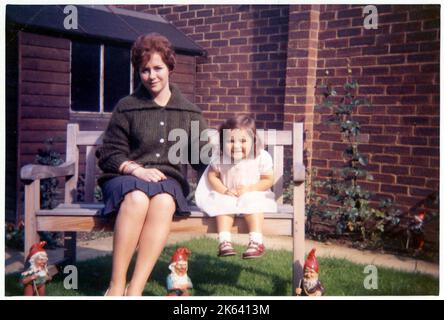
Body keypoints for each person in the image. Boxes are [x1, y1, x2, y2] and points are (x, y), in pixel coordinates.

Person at [96, 33, 208, 296]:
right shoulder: (127, 107)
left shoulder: (189, 112)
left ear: (170, 67)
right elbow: (110, 153)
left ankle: (135, 288)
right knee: (136, 197)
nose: (152, 75)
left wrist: (229, 180)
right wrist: (136, 169)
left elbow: (201, 158)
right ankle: (116, 284)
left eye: (158, 68)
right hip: (126, 180)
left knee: (164, 201)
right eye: (144, 70)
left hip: (166, 184)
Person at [195, 115, 277, 259]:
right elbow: (212, 176)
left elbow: (268, 179)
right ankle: (224, 241)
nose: (237, 146)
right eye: (230, 141)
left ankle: (256, 242)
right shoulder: (220, 158)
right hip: (229, 194)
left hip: (253, 192)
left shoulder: (261, 157)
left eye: (243, 141)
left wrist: (250, 189)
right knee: (222, 203)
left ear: (254, 141)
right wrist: (224, 190)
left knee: (254, 204)